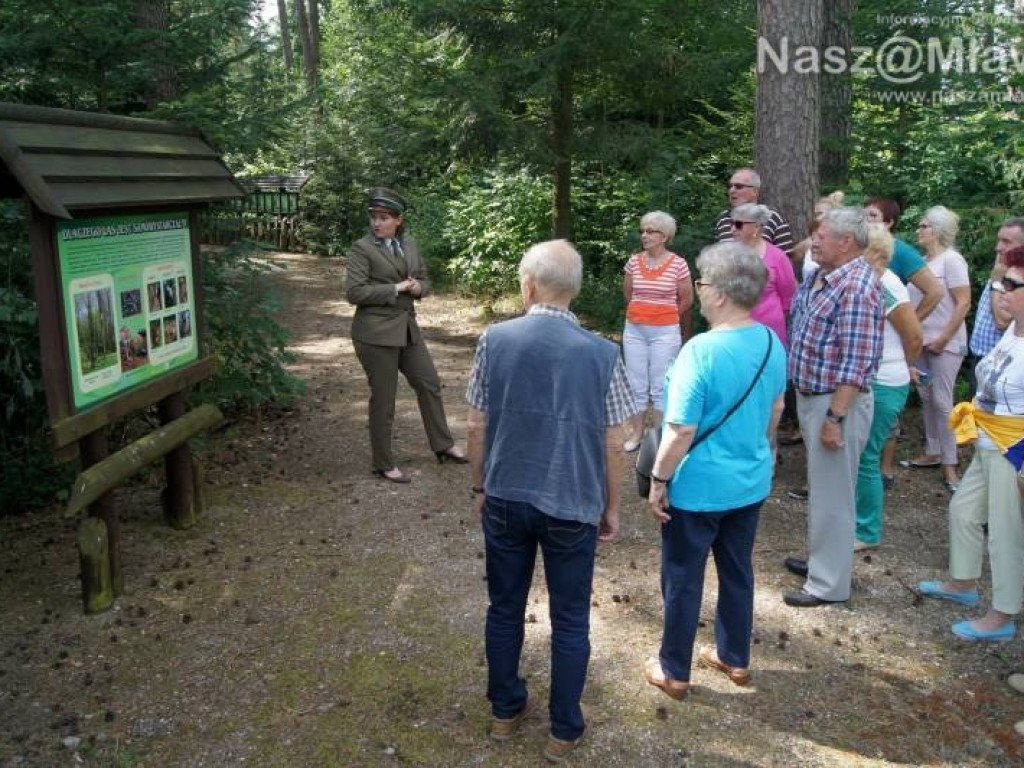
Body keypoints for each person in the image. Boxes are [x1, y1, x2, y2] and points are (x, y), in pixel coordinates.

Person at [466, 239, 635, 763]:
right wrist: (611, 507)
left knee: (504, 606)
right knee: (569, 618)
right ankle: (564, 728)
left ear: (528, 284)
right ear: (575, 289)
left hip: (507, 494)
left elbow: (476, 423)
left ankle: (504, 710)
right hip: (573, 501)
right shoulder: (604, 352)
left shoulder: (495, 340)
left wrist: (480, 485)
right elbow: (615, 439)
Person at [642, 242, 786, 699]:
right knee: (738, 570)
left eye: (701, 283)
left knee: (683, 577)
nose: (698, 291)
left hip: (698, 487)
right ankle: (734, 657)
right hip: (750, 481)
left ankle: (674, 671)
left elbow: (681, 429)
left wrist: (658, 480)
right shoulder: (770, 342)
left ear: (720, 294)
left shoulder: (699, 351)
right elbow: (776, 411)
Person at [916, 245, 1024, 642]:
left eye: (1012, 284)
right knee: (963, 510)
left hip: (1014, 449)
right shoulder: (1013, 330)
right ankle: (963, 584)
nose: (1002, 291)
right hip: (987, 441)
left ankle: (1002, 615)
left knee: (1006, 532)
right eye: (1001, 283)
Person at [783, 207, 884, 607]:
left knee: (833, 494)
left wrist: (835, 418)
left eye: (821, 235)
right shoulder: (820, 277)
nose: (814, 241)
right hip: (814, 398)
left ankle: (828, 585)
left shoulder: (857, 285)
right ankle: (823, 561)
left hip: (836, 402)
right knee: (823, 489)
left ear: (846, 242)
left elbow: (856, 362)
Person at [345, 186, 467, 483]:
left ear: (398, 220)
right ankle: (383, 463)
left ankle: (443, 445)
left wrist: (417, 288)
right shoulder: (362, 249)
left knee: (429, 383)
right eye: (374, 217)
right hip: (375, 334)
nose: (377, 223)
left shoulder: (409, 243)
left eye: (384, 217)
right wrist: (396, 289)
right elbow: (354, 292)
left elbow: (424, 278)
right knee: (385, 400)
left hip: (407, 329)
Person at [865, 197, 946, 489]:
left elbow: (935, 291)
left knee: (884, 419)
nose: (867, 220)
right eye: (864, 215)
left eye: (873, 215)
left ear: (889, 223)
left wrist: (906, 323)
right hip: (875, 349)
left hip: (891, 351)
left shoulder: (899, 250)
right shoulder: (861, 252)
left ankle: (884, 472)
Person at [854, 225, 922, 550]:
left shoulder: (886, 284)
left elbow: (914, 336)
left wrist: (904, 366)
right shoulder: (868, 280)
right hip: (872, 378)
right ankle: (857, 521)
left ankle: (866, 532)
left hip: (885, 381)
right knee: (859, 454)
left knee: (867, 455)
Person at [900, 206, 971, 492]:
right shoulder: (920, 261)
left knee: (943, 401)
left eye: (924, 226)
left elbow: (963, 302)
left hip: (946, 342)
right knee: (926, 396)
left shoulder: (952, 261)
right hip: (920, 340)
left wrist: (943, 338)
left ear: (939, 230)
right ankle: (932, 450)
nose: (919, 230)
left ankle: (951, 464)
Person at [622, 211, 693, 451]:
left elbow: (686, 299)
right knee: (635, 383)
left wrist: (666, 316)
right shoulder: (633, 261)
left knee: (661, 385)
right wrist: (642, 312)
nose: (645, 235)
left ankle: (661, 437)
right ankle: (637, 434)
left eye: (651, 231)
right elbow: (628, 293)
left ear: (664, 236)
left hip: (665, 332)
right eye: (643, 230)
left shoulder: (678, 264)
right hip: (634, 330)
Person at [966, 217, 1024, 393]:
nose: (998, 247)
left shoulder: (1016, 279)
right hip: (983, 358)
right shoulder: (1002, 267)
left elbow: (1002, 320)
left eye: (1006, 242)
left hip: (1003, 365)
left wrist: (997, 282)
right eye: (999, 239)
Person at [730, 203, 797, 347]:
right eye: (732, 223)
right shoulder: (727, 256)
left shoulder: (778, 258)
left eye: (738, 224)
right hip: (733, 329)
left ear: (756, 227)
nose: (733, 229)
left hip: (768, 331)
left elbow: (789, 299)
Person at [713, 168, 795, 263]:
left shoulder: (772, 217)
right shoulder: (723, 218)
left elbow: (786, 261)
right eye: (730, 186)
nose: (732, 190)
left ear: (755, 192)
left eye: (738, 186)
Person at [792, 191, 845, 281]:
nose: (816, 218)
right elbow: (788, 261)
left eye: (820, 214)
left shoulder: (842, 242)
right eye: (815, 214)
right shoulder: (808, 243)